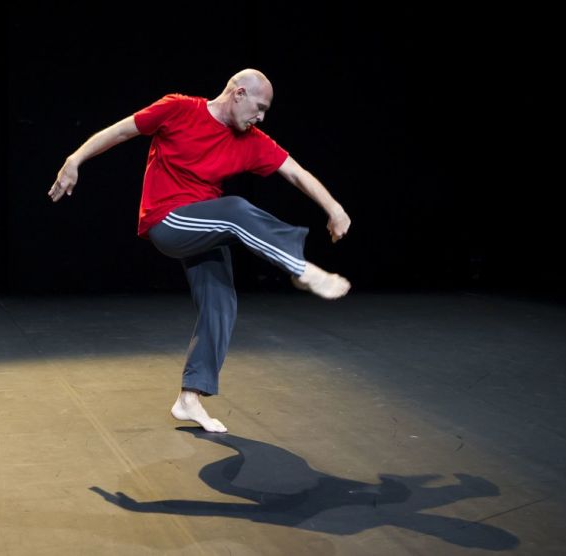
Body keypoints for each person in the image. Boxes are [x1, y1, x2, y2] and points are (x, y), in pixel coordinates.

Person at [49, 69, 351, 433]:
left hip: (206, 227)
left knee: (221, 302)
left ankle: (189, 398)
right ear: (238, 93)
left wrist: (334, 209)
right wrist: (75, 159)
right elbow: (121, 131)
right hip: (167, 220)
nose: (262, 117)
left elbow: (296, 173)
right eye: (259, 107)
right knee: (237, 212)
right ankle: (300, 268)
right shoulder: (179, 109)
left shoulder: (251, 140)